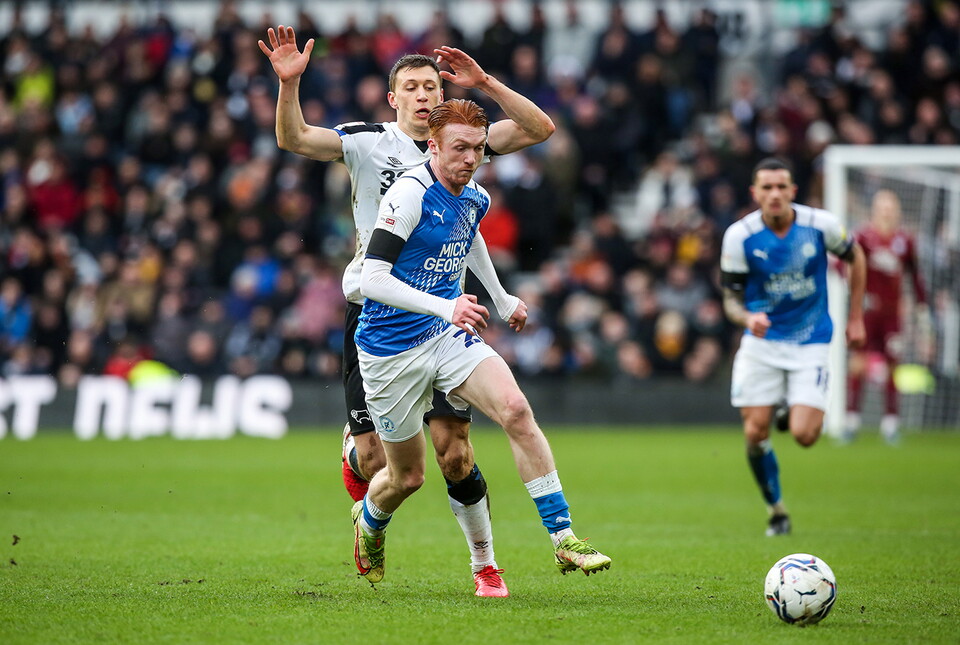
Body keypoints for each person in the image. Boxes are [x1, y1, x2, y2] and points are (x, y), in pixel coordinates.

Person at [258, 26, 555, 596]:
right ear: (393, 100)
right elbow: (294, 140)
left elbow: (540, 129)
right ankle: (355, 452)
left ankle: (486, 568)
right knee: (379, 465)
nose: (424, 96)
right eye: (412, 88)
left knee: (455, 454)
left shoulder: (462, 143)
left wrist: (487, 84)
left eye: (431, 87)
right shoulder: (368, 142)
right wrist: (289, 85)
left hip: (447, 312)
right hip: (378, 308)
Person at [352, 98, 611, 588]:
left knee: (515, 409)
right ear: (433, 146)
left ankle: (564, 538)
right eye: (458, 148)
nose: (470, 158)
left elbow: (468, 238)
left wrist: (501, 295)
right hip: (389, 350)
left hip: (446, 337)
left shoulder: (475, 195)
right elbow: (372, 279)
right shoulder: (408, 195)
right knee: (406, 477)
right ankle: (371, 519)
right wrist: (446, 305)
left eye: (477, 148)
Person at [720, 157, 866, 536]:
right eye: (766, 188)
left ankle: (789, 407)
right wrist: (746, 318)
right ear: (755, 193)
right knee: (754, 434)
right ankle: (777, 510)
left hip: (811, 341)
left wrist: (855, 317)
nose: (774, 194)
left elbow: (856, 256)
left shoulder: (821, 225)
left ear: (793, 192)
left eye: (781, 187)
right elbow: (731, 300)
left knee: (804, 435)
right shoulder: (740, 236)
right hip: (762, 343)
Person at [845, 189, 928, 444]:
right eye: (883, 207)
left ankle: (890, 424)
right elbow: (842, 265)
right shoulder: (862, 237)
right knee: (858, 363)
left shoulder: (905, 241)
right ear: (874, 210)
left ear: (898, 211)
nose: (887, 211)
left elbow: (915, 277)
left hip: (893, 315)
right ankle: (851, 422)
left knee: (893, 366)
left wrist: (922, 309)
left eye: (891, 207)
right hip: (867, 314)